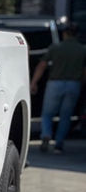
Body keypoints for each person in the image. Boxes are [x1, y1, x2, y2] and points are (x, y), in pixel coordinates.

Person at [31, 20, 86, 152]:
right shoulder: (83, 50)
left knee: (47, 114)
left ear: (65, 33)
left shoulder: (56, 48)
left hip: (55, 83)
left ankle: (46, 134)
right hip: (74, 84)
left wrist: (34, 82)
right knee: (66, 116)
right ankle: (59, 143)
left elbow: (42, 65)